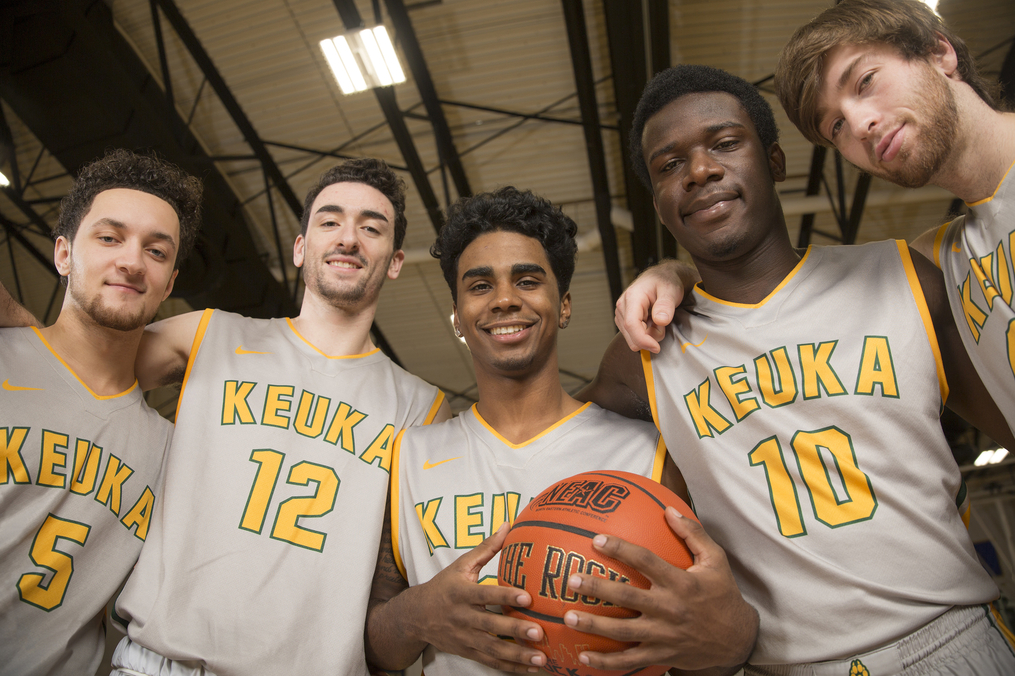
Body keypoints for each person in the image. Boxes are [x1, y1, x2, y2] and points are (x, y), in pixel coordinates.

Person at [580, 64, 1015, 673]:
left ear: (775, 160)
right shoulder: (644, 352)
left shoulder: (905, 275)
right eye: (669, 165)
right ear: (657, 203)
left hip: (950, 639)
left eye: (724, 143)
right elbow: (548, 431)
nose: (699, 171)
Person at [363, 187, 758, 676]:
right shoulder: (409, 455)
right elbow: (374, 649)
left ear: (564, 305)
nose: (504, 300)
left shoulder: (646, 451)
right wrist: (416, 615)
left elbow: (712, 642)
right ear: (458, 318)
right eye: (480, 286)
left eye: (527, 281)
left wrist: (721, 636)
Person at [93, 158, 448, 676]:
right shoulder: (210, 334)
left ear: (394, 262)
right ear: (301, 248)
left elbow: (393, 587)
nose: (348, 238)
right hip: (162, 663)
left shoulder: (422, 407)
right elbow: (75, 366)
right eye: (330, 221)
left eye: (371, 228)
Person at [620, 0, 1015, 435]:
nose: (860, 124)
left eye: (865, 81)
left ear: (940, 52)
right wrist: (671, 273)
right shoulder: (937, 264)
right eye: (836, 126)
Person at [0, 149, 202, 676]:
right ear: (64, 254)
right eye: (110, 238)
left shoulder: (174, 452)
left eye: (156, 251)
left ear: (169, 283)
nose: (132, 262)